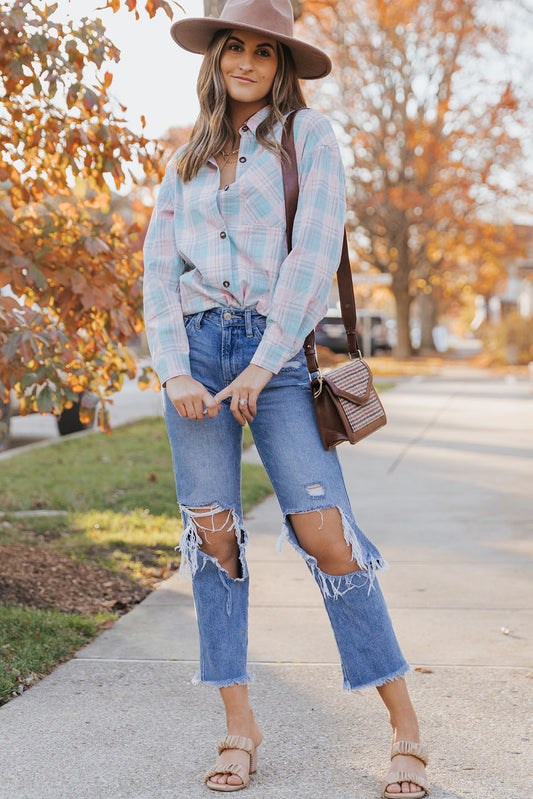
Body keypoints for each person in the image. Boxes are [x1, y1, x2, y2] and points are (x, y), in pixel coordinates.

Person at [143, 0, 430, 795]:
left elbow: (309, 262)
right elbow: (157, 274)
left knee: (326, 532)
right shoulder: (184, 159)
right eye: (232, 47)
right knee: (213, 536)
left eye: (263, 53)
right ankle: (239, 726)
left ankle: (405, 726)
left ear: (283, 67)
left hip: (277, 359)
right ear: (214, 58)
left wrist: (263, 365)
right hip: (197, 357)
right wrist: (173, 369)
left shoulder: (309, 139)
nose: (245, 62)